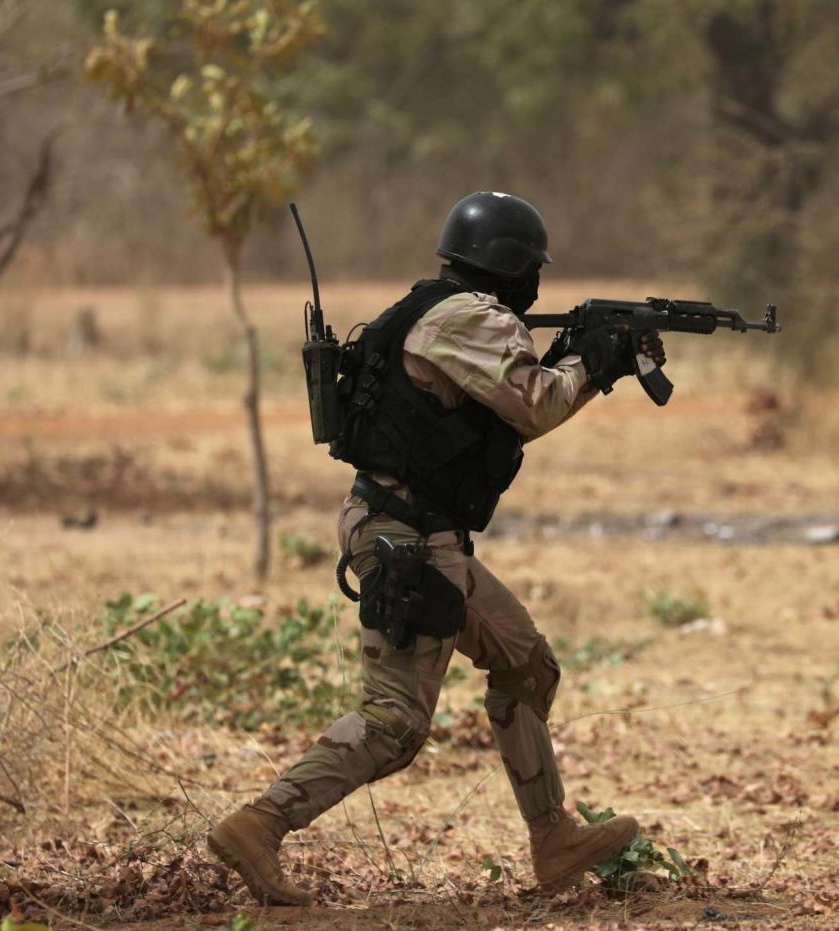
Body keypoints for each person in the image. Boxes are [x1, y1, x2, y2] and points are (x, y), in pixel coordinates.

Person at [207, 191, 666, 904]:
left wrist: (581, 353)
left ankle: (554, 838)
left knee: (524, 664)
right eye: (531, 271)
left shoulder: (438, 309)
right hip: (405, 539)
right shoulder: (468, 318)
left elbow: (506, 391)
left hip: (426, 536)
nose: (535, 285)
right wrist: (592, 365)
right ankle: (260, 824)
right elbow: (535, 402)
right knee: (394, 721)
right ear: (514, 268)